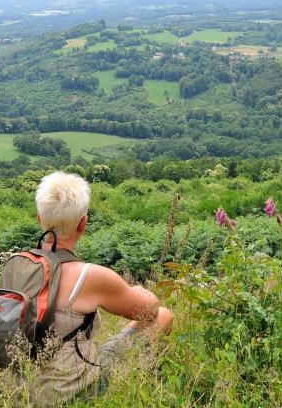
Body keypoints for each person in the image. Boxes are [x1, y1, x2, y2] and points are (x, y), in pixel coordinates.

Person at [22, 171, 173, 405]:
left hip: (22, 391)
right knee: (164, 316)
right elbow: (149, 310)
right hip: (70, 394)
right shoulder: (90, 275)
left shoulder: (16, 265)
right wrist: (135, 290)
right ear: (83, 223)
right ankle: (153, 381)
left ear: (39, 218)